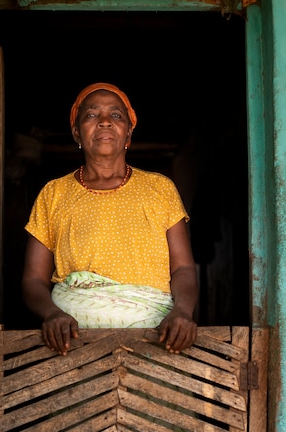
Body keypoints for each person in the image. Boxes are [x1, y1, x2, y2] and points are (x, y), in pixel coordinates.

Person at [22, 82, 198, 355]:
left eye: (116, 115)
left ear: (128, 132)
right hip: (73, 344)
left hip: (154, 340)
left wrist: (183, 313)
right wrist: (51, 314)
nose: (104, 122)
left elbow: (183, 268)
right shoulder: (53, 194)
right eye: (92, 115)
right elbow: (33, 279)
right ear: (76, 132)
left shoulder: (160, 189)